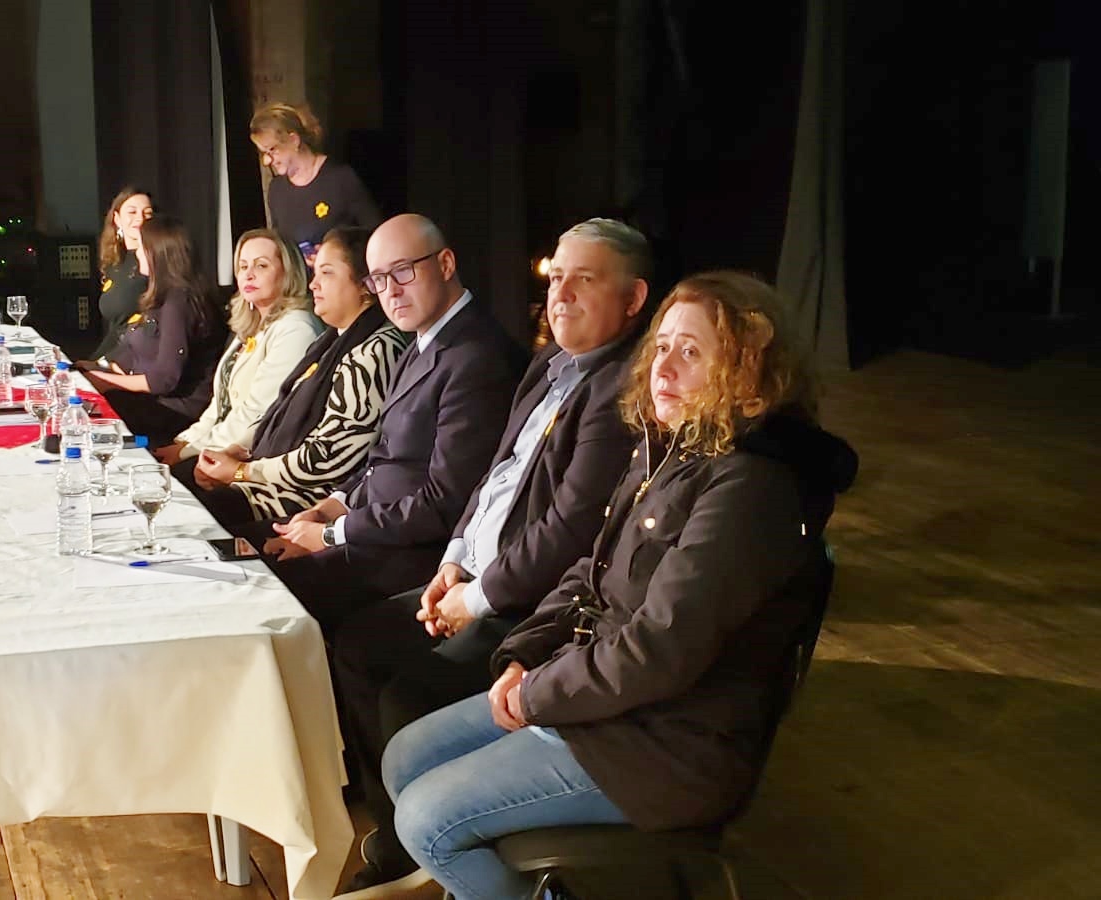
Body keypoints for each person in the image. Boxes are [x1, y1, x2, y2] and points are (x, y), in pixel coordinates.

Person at [382, 272, 859, 900]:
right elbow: (591, 570)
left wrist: (536, 696)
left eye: (692, 351)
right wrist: (525, 654)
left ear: (748, 374)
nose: (664, 366)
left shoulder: (751, 488)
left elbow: (658, 649)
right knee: (403, 759)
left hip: (663, 747)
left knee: (428, 822)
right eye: (661, 346)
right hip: (604, 707)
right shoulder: (673, 448)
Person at [329, 219, 653, 898]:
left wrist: (474, 599)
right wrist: (453, 562)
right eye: (555, 277)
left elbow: (567, 532)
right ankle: (407, 835)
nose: (560, 294)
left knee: (405, 688)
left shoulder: (619, 391)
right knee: (356, 644)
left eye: (583, 280)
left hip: (533, 605)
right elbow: (493, 478)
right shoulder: (551, 363)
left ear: (633, 300)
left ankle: (433, 842)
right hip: (475, 573)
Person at [259, 214, 521, 637]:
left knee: (272, 598)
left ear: (446, 264)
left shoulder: (475, 355)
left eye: (402, 271)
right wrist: (330, 508)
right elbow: (380, 461)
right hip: (376, 532)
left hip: (416, 555)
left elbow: (444, 503)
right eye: (379, 278)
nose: (391, 291)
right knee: (257, 569)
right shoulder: (422, 340)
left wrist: (332, 534)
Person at [185, 227, 411, 525]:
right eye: (315, 273)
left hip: (310, 501)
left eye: (326, 273)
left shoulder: (373, 351)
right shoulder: (331, 341)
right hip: (275, 479)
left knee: (191, 516)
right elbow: (277, 415)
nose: (314, 284)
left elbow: (328, 457)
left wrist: (242, 471)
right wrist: (239, 452)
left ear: (364, 284)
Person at [151, 229, 322, 471]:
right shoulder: (252, 324)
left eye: (261, 266)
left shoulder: (296, 328)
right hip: (218, 448)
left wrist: (186, 452)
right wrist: (183, 442)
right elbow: (219, 407)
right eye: (243, 266)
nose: (249, 274)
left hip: (254, 463)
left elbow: (255, 414)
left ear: (288, 273)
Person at [83, 216, 227, 443]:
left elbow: (164, 379)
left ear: (158, 254)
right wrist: (97, 368)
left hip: (174, 410)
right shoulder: (162, 296)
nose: (138, 253)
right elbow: (134, 352)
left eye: (142, 247)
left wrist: (105, 382)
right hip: (153, 400)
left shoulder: (179, 302)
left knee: (85, 417)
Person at [251, 103, 382, 267]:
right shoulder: (276, 190)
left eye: (272, 150)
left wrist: (334, 255)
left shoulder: (341, 179)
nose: (267, 160)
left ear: (294, 140)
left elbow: (376, 236)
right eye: (263, 153)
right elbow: (280, 245)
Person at [93, 187, 154, 362]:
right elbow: (117, 328)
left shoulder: (155, 262)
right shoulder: (115, 262)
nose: (140, 218)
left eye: (147, 213)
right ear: (117, 218)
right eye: (132, 212)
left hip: (138, 360)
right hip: (114, 354)